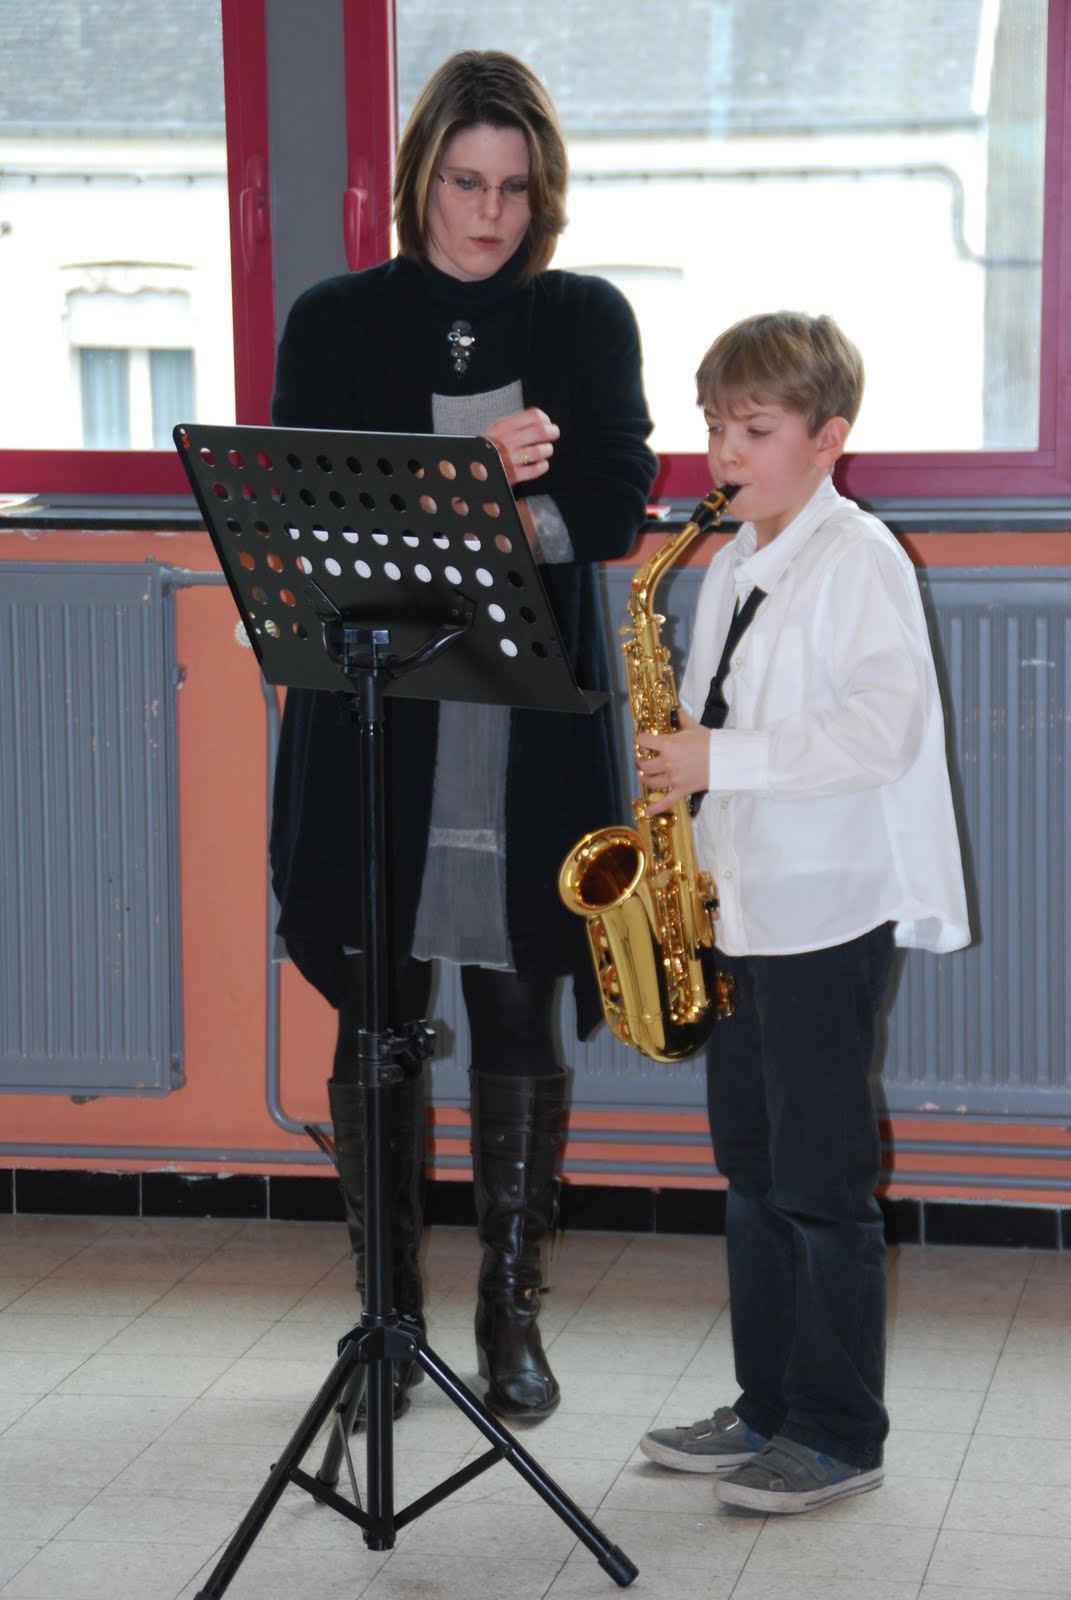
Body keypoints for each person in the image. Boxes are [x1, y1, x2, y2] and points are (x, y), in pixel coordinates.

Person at [269, 50, 657, 1422]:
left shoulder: (583, 316)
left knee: (511, 998)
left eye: (512, 188)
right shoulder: (334, 318)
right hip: (372, 719)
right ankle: (383, 1318)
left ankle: (508, 1314)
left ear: (539, 195)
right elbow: (311, 513)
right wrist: (475, 492)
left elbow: (610, 504)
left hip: (521, 724)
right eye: (461, 182)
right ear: (419, 177)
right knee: (373, 1005)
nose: (485, 216)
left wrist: (456, 515)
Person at [636, 311, 969, 1511]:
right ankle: (768, 1402)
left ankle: (839, 1429)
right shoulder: (730, 564)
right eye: (715, 424)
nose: (724, 451)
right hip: (744, 907)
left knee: (823, 1181)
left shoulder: (857, 557)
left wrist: (718, 757)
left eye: (754, 428)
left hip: (828, 910)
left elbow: (883, 732)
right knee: (752, 1165)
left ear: (829, 438)